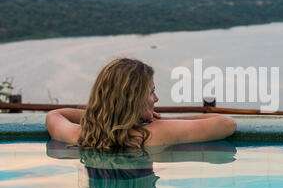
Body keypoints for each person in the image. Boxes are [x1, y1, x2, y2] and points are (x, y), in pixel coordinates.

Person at [45, 58, 237, 150]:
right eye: (151, 92)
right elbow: (227, 123)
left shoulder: (79, 136)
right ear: (134, 100)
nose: (156, 99)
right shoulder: (155, 133)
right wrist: (170, 119)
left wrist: (103, 113)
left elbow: (55, 115)